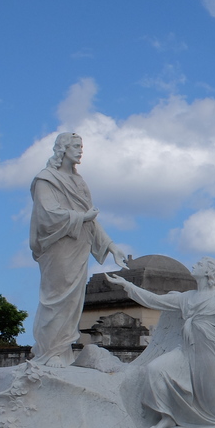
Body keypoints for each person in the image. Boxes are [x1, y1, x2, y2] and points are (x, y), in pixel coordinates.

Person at [106, 257, 215, 428]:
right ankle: (167, 415)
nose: (193, 264)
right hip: (186, 351)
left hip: (209, 354)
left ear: (208, 272)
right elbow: (155, 300)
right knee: (155, 369)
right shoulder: (186, 297)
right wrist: (128, 285)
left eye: (199, 264)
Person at [30, 132, 126, 367]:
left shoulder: (80, 182)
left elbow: (91, 220)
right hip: (58, 245)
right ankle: (48, 352)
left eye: (81, 146)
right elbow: (47, 214)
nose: (80, 150)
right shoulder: (46, 179)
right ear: (62, 149)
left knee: (73, 301)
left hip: (79, 246)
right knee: (56, 298)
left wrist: (112, 246)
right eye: (75, 146)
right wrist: (82, 217)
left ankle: (62, 351)